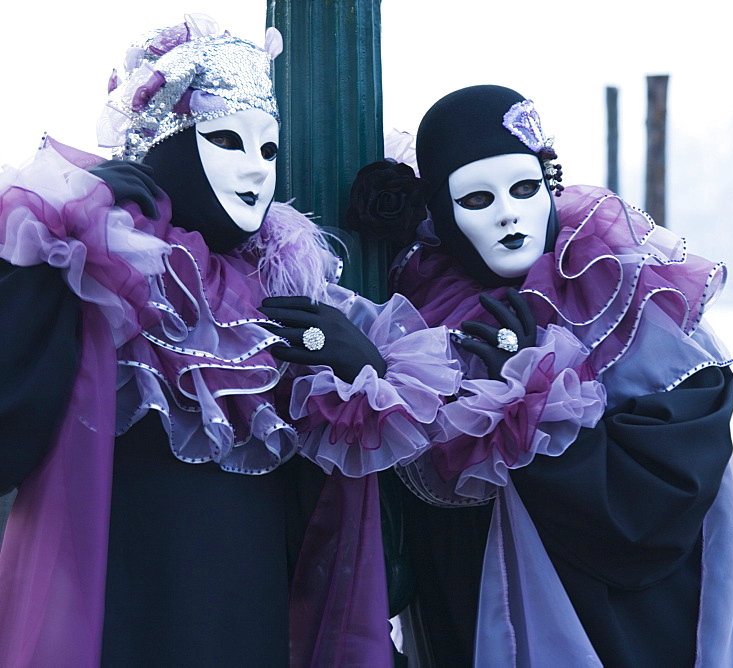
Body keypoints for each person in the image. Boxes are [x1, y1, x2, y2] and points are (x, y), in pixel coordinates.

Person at [0, 15, 457, 666]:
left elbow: (318, 529)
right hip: (117, 627)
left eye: (269, 149)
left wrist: (360, 375)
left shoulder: (281, 297)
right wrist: (56, 262)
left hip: (252, 628)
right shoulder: (102, 279)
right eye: (226, 140)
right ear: (164, 147)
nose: (255, 169)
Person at [348, 85, 733, 666]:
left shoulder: (627, 297)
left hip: (634, 631)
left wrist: (538, 389)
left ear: (549, 185)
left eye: (524, 188)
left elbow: (664, 494)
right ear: (440, 214)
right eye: (477, 198)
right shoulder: (426, 324)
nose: (509, 212)